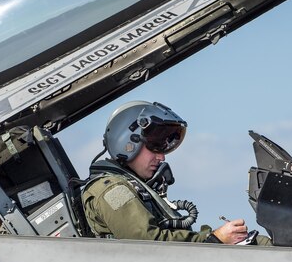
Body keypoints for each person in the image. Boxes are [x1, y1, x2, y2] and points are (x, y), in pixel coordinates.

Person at [82, 101, 270, 245]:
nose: (161, 157)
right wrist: (215, 241)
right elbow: (145, 244)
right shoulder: (113, 190)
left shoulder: (133, 187)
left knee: (266, 245)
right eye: (155, 147)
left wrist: (217, 238)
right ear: (127, 143)